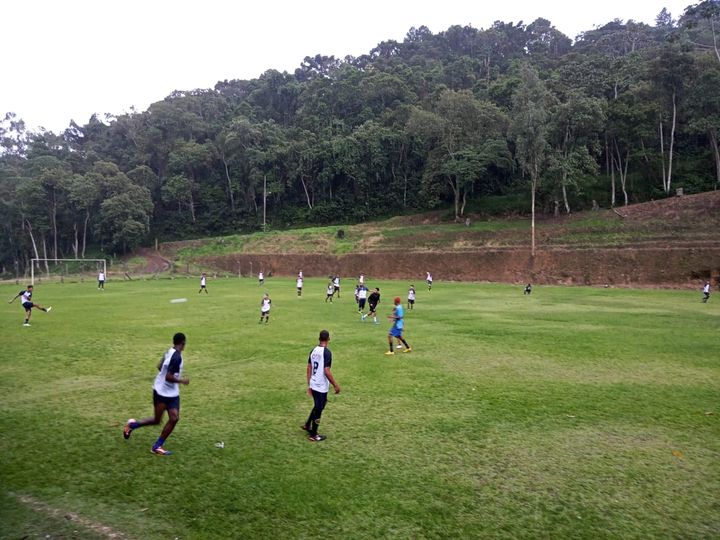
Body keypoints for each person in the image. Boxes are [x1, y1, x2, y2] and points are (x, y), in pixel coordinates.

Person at [123, 332, 190, 456]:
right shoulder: (176, 357)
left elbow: (159, 367)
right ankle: (132, 425)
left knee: (174, 418)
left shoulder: (169, 351)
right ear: (183, 343)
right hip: (162, 393)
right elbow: (168, 377)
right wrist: (182, 380)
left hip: (171, 392)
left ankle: (157, 446)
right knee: (156, 420)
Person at [302, 329, 340, 442]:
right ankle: (313, 435)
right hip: (321, 386)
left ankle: (307, 424)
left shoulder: (313, 350)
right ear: (328, 339)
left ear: (319, 338)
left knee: (319, 405)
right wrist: (335, 385)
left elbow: (309, 368)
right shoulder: (327, 352)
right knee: (319, 408)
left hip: (313, 383)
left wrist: (309, 384)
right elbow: (326, 371)